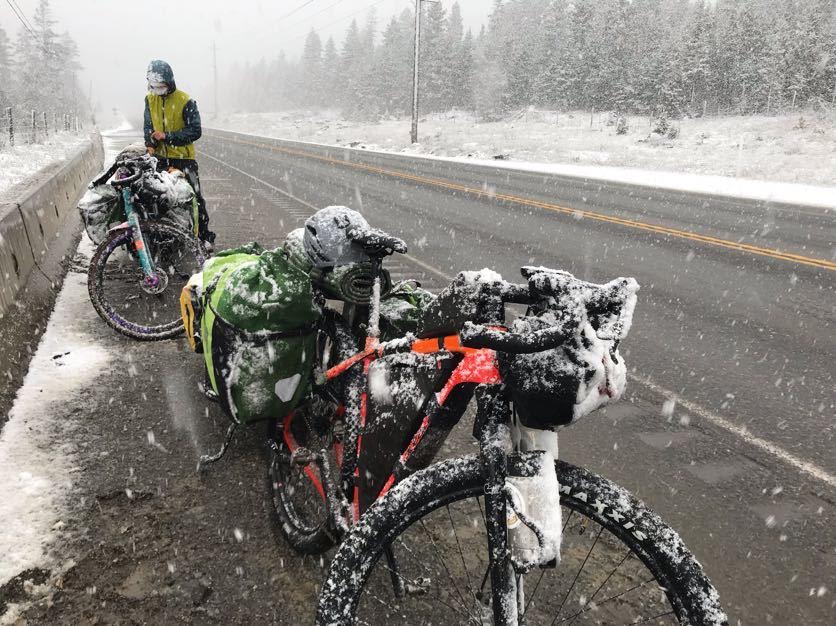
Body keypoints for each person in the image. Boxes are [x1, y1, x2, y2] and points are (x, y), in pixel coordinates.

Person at [143, 59, 215, 247]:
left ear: (169, 81)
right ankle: (165, 238)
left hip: (183, 159)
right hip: (160, 159)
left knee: (194, 199)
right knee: (162, 199)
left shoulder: (185, 101)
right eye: (153, 86)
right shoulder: (150, 99)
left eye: (160, 86)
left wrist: (168, 136)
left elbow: (195, 131)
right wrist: (150, 144)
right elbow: (148, 126)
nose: (157, 90)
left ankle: (204, 237)